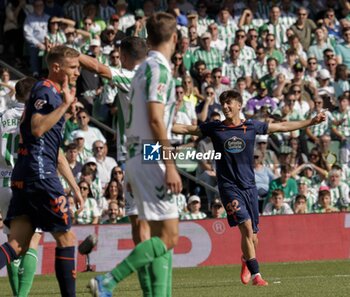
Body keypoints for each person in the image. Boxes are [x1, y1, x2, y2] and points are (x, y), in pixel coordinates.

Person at [172, 89, 326, 286]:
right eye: (223, 104)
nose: (226, 107)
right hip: (228, 186)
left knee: (253, 237)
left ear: (238, 105)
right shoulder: (215, 128)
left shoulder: (251, 126)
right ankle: (257, 276)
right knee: (244, 227)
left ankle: (246, 260)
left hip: (249, 187)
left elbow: (283, 126)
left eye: (229, 103)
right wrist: (158, 123)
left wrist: (310, 122)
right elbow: (186, 129)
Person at [88, 12, 182, 297]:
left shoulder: (138, 72)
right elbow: (155, 119)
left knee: (157, 235)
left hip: (136, 153)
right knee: (169, 236)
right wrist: (170, 164)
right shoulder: (158, 69)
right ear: (174, 39)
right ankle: (108, 281)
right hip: (151, 153)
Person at [0, 45, 84, 297]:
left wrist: (75, 186)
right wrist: (63, 107)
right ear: (56, 67)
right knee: (66, 239)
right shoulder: (45, 90)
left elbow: (52, 147)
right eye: (73, 67)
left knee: (16, 244)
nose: (77, 72)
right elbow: (37, 128)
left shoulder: (50, 94)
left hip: (21, 174)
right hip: (40, 175)